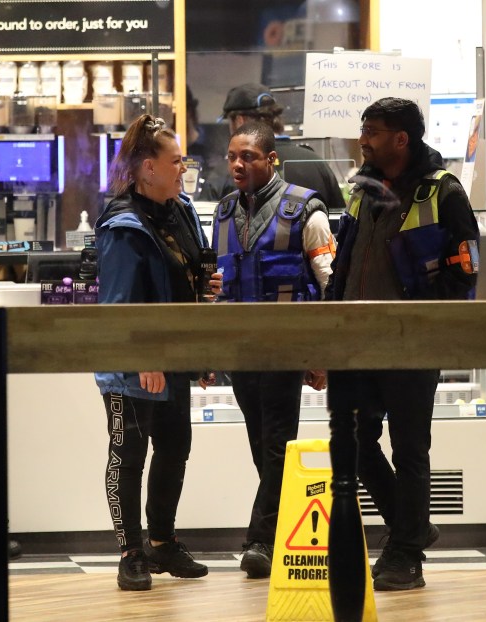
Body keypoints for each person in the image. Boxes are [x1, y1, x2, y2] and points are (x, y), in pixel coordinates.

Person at [325, 97, 479, 591]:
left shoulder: (443, 191)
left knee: (410, 447)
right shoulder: (361, 190)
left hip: (413, 345)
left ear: (401, 139)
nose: (363, 139)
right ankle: (410, 527)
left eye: (371, 131)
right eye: (363, 129)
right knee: (353, 444)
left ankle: (405, 555)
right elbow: (343, 264)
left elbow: (467, 271)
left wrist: (434, 327)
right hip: (355, 343)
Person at [206, 122, 334, 579]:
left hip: (286, 347)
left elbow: (328, 286)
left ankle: (258, 540)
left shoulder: (306, 210)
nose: (238, 165)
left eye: (249, 157)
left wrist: (320, 354)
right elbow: (212, 288)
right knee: (261, 445)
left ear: (271, 160)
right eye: (232, 157)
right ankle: (280, 534)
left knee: (277, 444)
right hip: (240, 353)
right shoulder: (222, 213)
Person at [94, 114, 210, 591]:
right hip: (134, 364)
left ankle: (162, 542)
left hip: (176, 357)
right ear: (146, 169)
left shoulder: (179, 209)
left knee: (174, 449)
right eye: (176, 161)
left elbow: (189, 269)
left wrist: (204, 284)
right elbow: (119, 305)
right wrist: (145, 358)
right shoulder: (123, 225)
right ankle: (131, 552)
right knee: (129, 452)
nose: (183, 169)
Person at [208, 83, 346, 211]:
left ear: (239, 120)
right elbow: (338, 221)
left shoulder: (229, 171)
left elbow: (208, 225)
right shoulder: (316, 163)